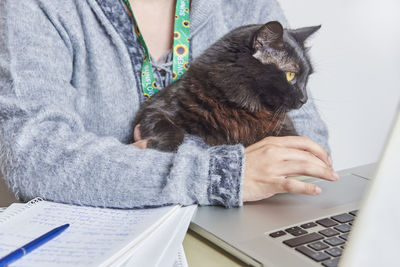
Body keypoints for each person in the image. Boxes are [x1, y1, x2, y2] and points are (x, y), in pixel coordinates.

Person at [0, 0, 337, 209]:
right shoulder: (37, 5)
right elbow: (32, 154)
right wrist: (223, 175)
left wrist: (140, 167)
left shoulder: (243, 4)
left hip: (235, 224)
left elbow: (309, 149)